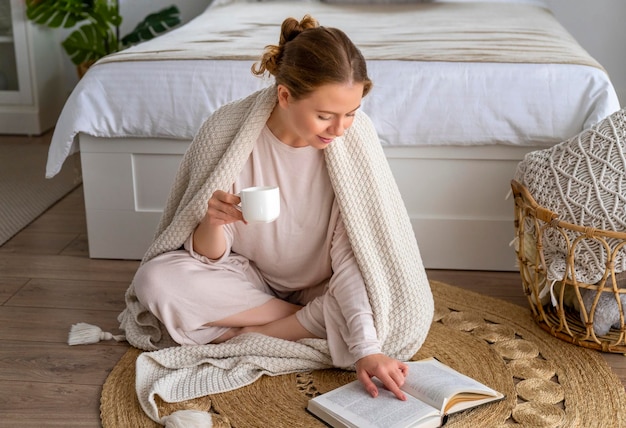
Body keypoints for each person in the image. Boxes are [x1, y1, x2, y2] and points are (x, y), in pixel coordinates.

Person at [131, 14, 433, 403]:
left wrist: (367, 350)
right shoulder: (228, 133)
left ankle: (244, 333)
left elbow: (358, 253)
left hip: (325, 285)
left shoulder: (352, 143)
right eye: (325, 115)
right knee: (154, 280)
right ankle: (295, 324)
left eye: (351, 112)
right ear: (285, 95)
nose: (339, 128)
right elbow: (209, 257)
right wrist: (212, 221)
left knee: (396, 309)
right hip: (250, 281)